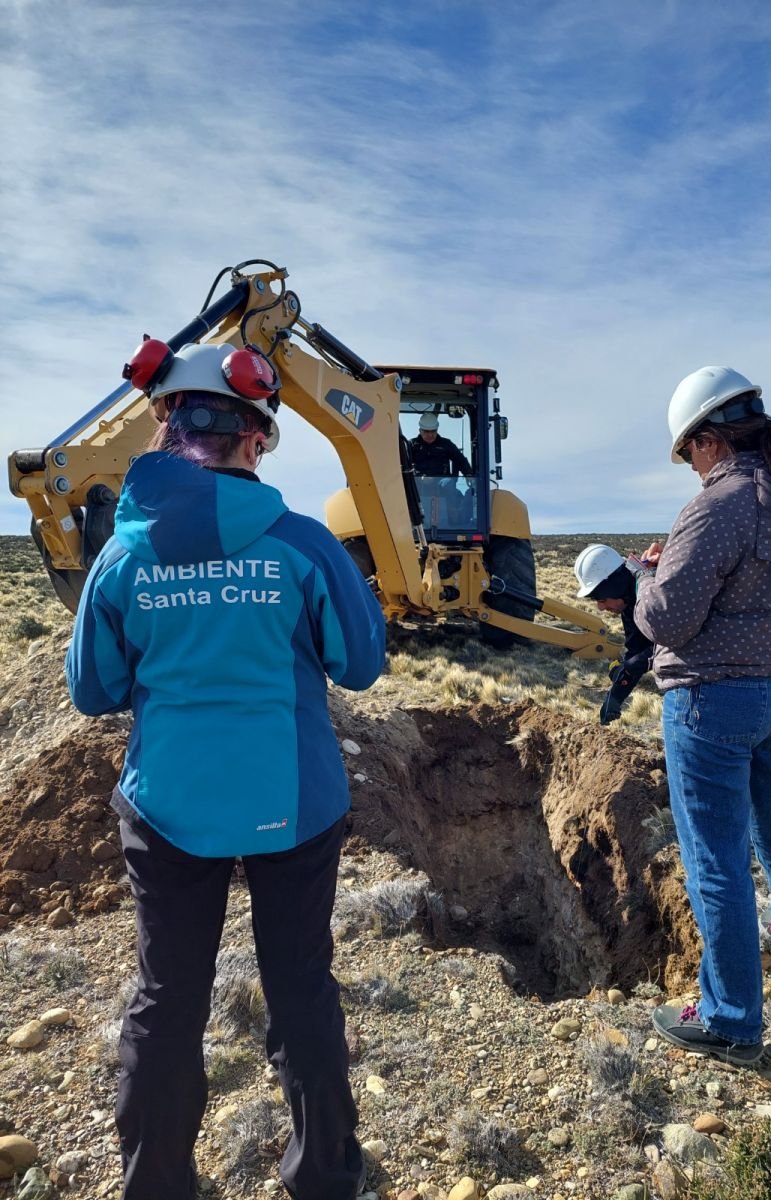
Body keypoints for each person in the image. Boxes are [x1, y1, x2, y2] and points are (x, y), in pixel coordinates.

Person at [66, 340, 386, 1200]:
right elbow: (359, 665)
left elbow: (93, 690)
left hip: (168, 805)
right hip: (296, 803)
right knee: (301, 990)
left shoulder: (123, 557)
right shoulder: (305, 546)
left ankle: (157, 1184)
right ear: (259, 437)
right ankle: (324, 1178)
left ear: (167, 425)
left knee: (167, 1000)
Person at [631, 365, 771, 1066]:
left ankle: (731, 1019)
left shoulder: (720, 503)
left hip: (713, 701)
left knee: (717, 858)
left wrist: (645, 576)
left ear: (708, 440)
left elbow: (666, 620)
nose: (689, 467)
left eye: (687, 452)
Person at [573, 543, 653, 723]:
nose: (600, 608)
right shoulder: (629, 601)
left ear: (615, 587)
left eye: (602, 599)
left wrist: (637, 663)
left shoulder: (655, 594)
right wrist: (616, 695)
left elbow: (677, 643)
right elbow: (636, 649)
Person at [408, 412, 472, 477]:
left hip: (442, 484)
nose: (430, 435)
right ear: (420, 430)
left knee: (447, 482)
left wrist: (469, 475)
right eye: (426, 431)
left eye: (433, 431)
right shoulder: (411, 445)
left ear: (437, 429)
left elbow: (461, 461)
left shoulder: (446, 444)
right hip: (417, 484)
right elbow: (402, 464)